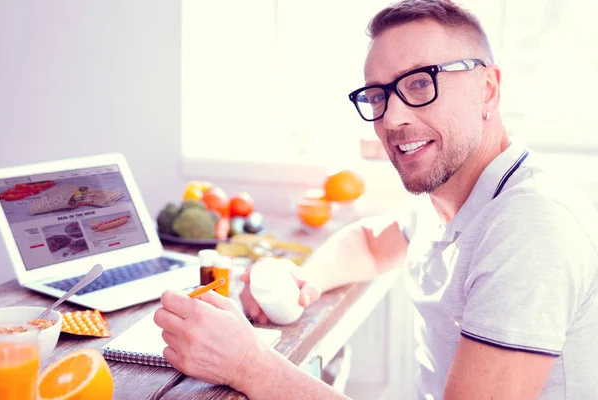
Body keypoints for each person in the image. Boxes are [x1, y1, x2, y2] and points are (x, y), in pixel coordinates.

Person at [154, 0, 598, 398]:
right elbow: (369, 242)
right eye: (378, 95)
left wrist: (248, 364)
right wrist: (304, 283)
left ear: (488, 90)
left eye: (421, 84)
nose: (393, 117)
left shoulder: (532, 228)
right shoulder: (452, 198)